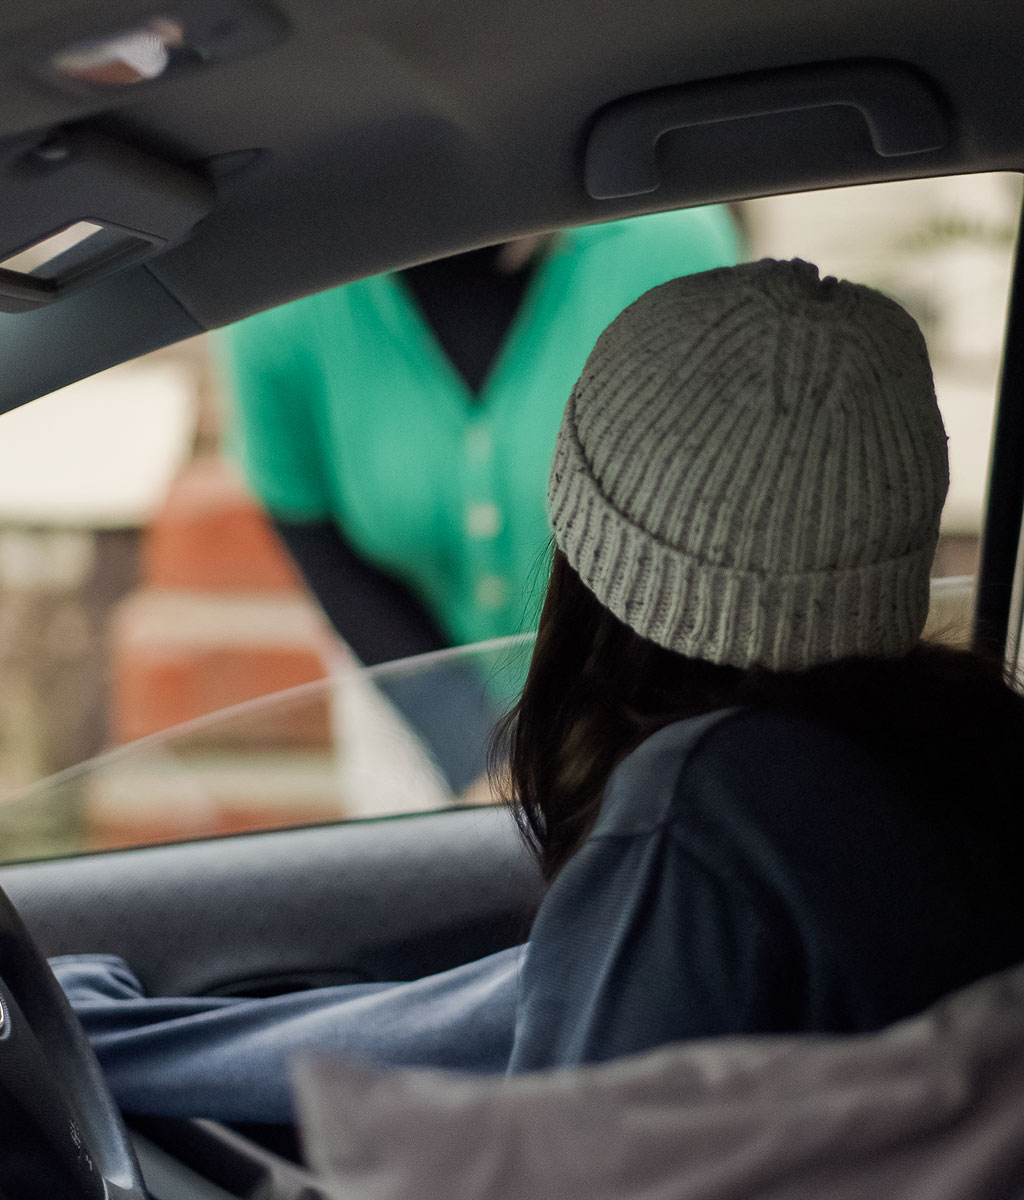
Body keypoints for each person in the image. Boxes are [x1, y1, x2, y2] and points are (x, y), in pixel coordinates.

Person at [54, 258, 1024, 1125]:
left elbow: (569, 1144)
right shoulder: (959, 772)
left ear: (584, 552)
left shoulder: (705, 807)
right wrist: (96, 1038)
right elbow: (494, 1018)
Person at [215, 211, 740, 792]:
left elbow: (713, 544)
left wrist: (594, 752)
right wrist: (472, 753)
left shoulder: (673, 250)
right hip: (412, 709)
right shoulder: (280, 290)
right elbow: (310, 525)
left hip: (648, 710)